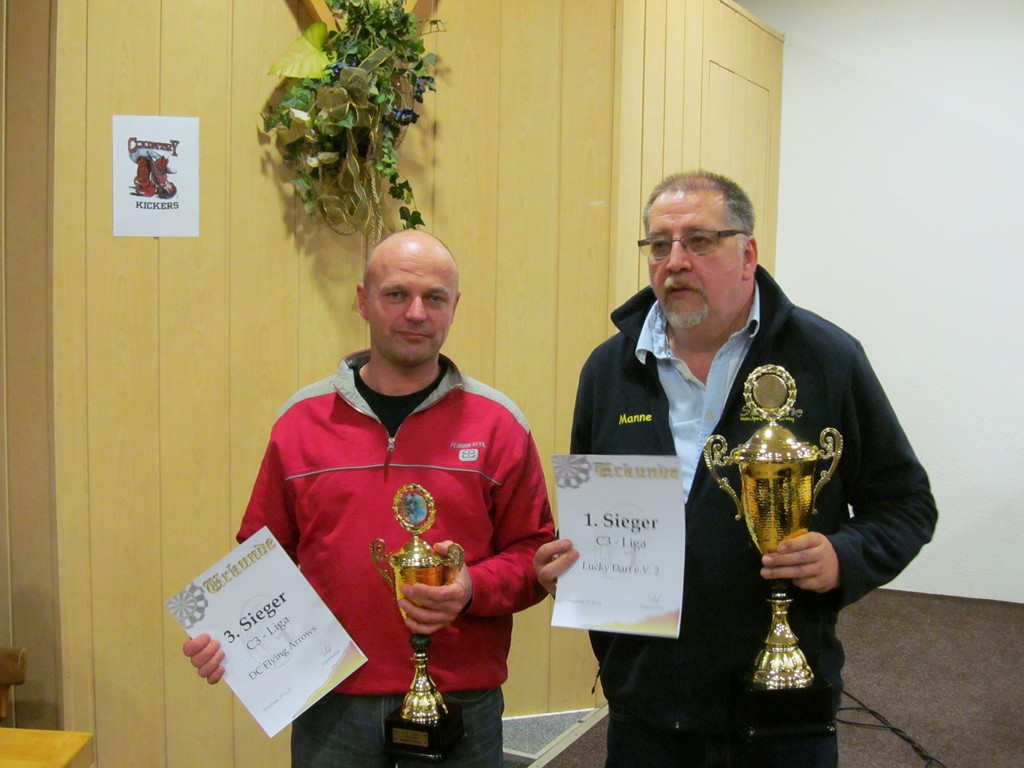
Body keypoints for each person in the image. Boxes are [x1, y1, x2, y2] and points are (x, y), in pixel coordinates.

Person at [534, 171, 937, 768]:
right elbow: (599, 520)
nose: (675, 261)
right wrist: (571, 567)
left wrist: (843, 557)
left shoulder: (826, 358)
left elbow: (906, 505)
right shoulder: (609, 370)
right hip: (647, 707)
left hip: (781, 704)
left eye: (699, 241)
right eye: (659, 244)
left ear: (747, 255)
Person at [185, 229, 555, 767]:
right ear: (363, 301)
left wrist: (471, 588)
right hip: (330, 706)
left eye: (434, 298)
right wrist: (228, 639)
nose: (416, 313)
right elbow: (260, 561)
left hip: (461, 703)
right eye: (396, 294)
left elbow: (534, 557)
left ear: (455, 306)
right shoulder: (301, 422)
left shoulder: (499, 425)